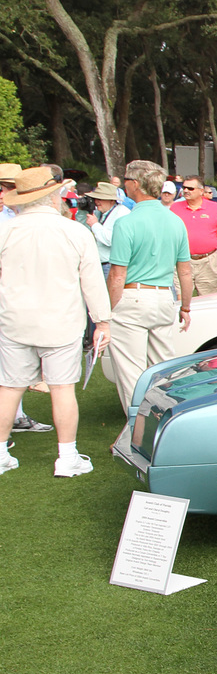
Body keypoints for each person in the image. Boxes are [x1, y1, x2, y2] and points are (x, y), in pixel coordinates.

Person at [0, 166, 113, 476]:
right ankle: (67, 457)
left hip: (14, 320)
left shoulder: (6, 230)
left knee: (8, 388)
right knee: (62, 389)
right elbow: (92, 281)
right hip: (61, 322)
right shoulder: (75, 231)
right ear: (54, 196)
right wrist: (102, 321)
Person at [107, 159, 194, 416]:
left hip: (133, 296)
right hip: (165, 297)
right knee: (163, 370)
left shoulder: (126, 223)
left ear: (135, 185)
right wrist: (185, 306)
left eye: (126, 180)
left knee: (132, 373)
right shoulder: (175, 221)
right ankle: (165, 425)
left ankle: (137, 431)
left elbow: (116, 275)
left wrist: (106, 311)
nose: (124, 184)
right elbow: (185, 271)